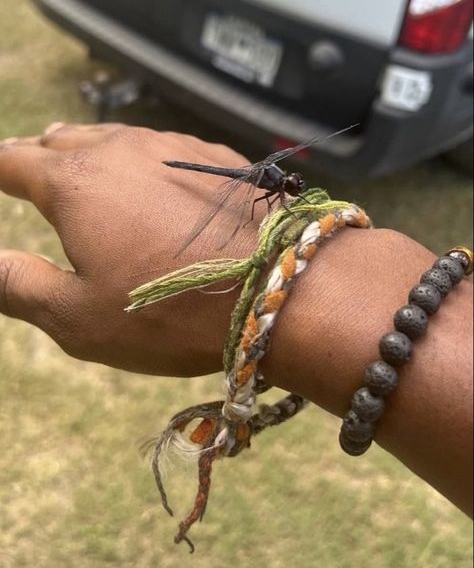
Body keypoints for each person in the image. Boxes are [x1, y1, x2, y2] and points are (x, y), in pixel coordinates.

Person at [0, 123, 472, 518]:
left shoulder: (276, 186)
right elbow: (251, 207)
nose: (290, 191)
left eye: (290, 189)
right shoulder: (259, 188)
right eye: (286, 189)